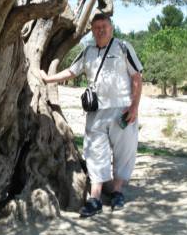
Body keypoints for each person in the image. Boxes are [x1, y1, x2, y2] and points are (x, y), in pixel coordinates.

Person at [40, 12, 143, 217]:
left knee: (124, 152)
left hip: (121, 110)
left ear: (111, 28)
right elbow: (72, 71)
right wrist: (48, 79)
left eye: (104, 26)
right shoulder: (87, 51)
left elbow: (137, 77)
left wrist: (134, 107)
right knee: (95, 153)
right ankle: (95, 198)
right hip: (95, 112)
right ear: (92, 31)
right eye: (96, 27)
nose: (100, 30)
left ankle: (117, 191)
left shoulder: (123, 47)